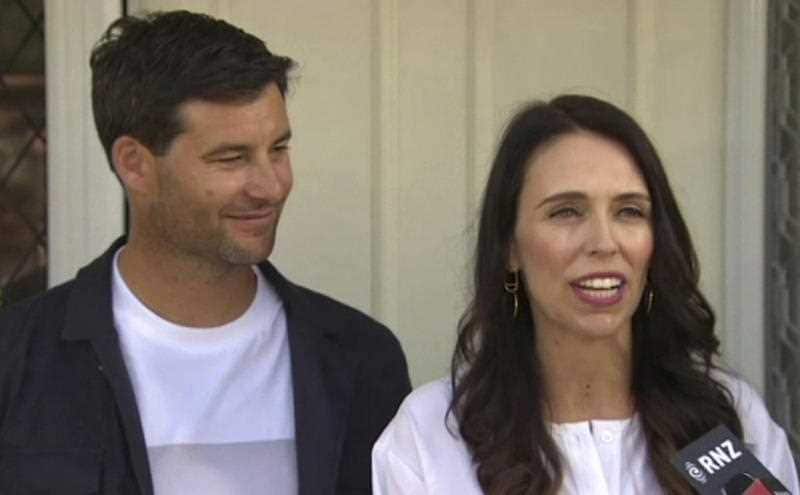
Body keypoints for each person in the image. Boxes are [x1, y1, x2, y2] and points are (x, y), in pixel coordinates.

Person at [0, 10, 410, 495]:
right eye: (232, 158)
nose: (271, 185)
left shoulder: (359, 359)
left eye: (278, 149)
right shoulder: (16, 359)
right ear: (135, 165)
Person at [372, 95, 799, 494]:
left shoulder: (724, 419)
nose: (604, 243)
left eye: (629, 211)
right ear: (510, 248)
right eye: (566, 212)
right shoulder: (431, 434)